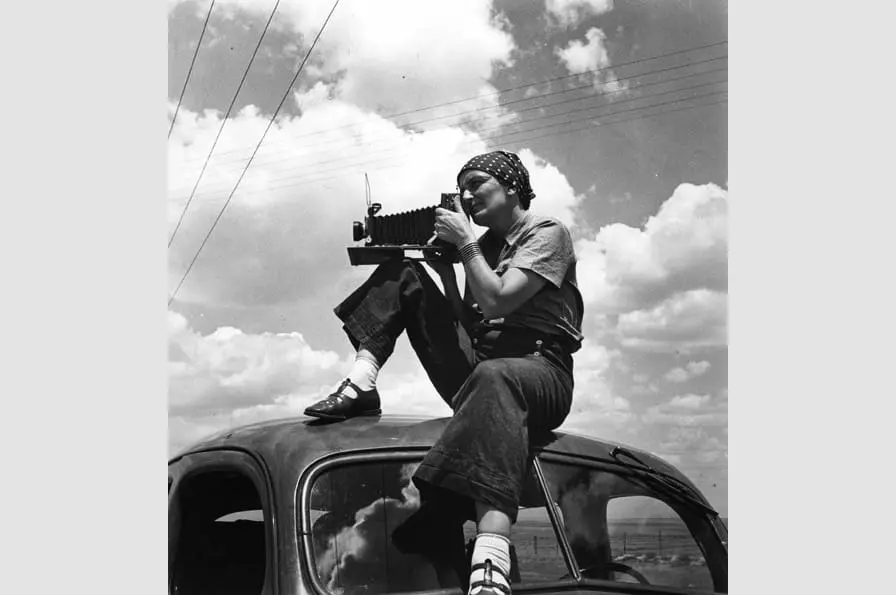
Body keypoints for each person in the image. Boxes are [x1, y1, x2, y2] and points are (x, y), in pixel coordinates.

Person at [304, 150, 584, 595]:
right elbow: (473, 318)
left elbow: (497, 301)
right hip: (483, 369)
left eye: (477, 184)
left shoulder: (547, 234)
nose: (467, 196)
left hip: (538, 371)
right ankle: (362, 380)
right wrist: (444, 272)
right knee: (407, 273)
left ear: (511, 186)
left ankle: (490, 560)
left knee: (497, 378)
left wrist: (466, 246)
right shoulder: (486, 248)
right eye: (462, 189)